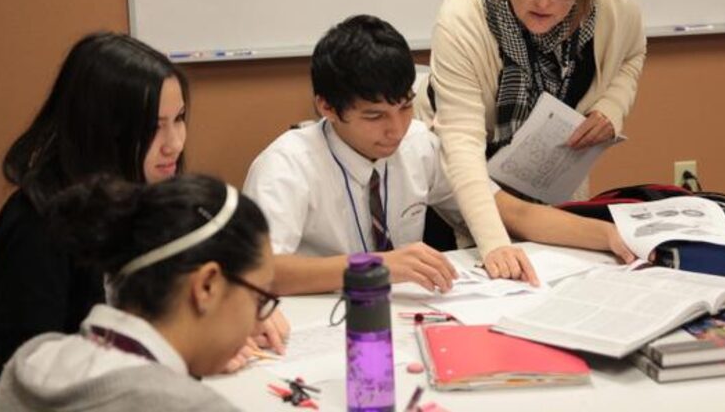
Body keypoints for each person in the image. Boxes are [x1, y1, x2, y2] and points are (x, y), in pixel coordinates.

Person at [0, 32, 286, 399]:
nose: (174, 143)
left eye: (179, 119)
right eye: (153, 127)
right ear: (102, 129)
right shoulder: (38, 226)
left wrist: (225, 322)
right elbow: (29, 375)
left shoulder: (149, 197)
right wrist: (184, 357)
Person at [243, 15, 635, 296]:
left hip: (406, 315)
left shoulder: (417, 145)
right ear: (326, 107)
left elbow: (512, 213)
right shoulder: (285, 167)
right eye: (375, 116)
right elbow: (261, 271)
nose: (395, 129)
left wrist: (608, 236)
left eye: (405, 107)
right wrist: (376, 268)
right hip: (319, 323)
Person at [414, 0, 647, 282]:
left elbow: (633, 54)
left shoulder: (614, 2)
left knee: (565, 276)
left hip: (548, 168)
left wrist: (612, 105)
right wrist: (495, 244)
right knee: (481, 278)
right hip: (464, 171)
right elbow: (461, 145)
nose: (542, 1)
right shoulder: (462, 18)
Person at [0, 174, 277, 411]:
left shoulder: (29, 360)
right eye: (259, 298)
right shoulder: (191, 407)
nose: (256, 321)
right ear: (207, 286)